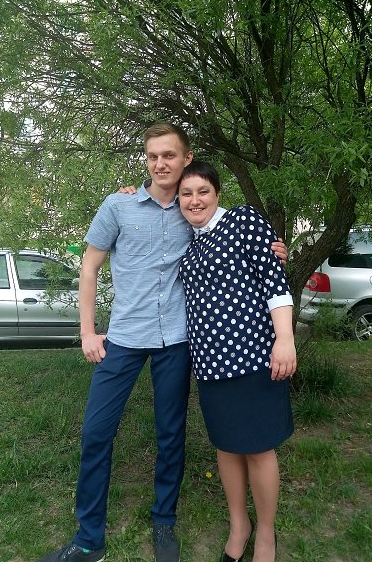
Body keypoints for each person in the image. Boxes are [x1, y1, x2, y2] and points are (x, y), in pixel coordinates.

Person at [36, 123, 289, 562]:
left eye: (169, 155)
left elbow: (240, 245)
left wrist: (273, 249)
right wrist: (87, 331)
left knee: (170, 435)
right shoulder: (119, 204)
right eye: (153, 156)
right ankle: (89, 538)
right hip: (124, 338)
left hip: (176, 339)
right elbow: (89, 267)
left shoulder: (195, 210)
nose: (160, 163)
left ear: (186, 158)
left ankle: (164, 520)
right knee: (96, 431)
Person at [177, 160, 296, 562]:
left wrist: (285, 339)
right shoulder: (191, 242)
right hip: (210, 364)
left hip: (255, 357)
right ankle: (239, 525)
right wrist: (131, 192)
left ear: (217, 193)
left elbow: (274, 282)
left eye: (203, 191)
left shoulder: (243, 220)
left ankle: (266, 534)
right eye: (186, 194)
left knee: (258, 448)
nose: (195, 200)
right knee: (227, 447)